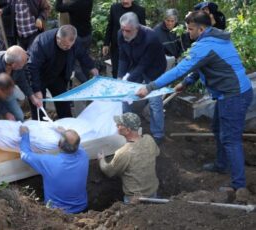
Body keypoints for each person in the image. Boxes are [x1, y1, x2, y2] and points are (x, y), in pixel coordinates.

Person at [136, 11, 253, 192]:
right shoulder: (217, 39)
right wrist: (186, 83)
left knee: (230, 139)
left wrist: (150, 87)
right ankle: (222, 165)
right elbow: (201, 67)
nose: (188, 33)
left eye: (191, 29)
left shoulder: (205, 45)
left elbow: (180, 69)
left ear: (202, 29)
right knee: (217, 128)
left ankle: (239, 186)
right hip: (231, 93)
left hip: (233, 96)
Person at [27, 25, 99, 119]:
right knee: (38, 105)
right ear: (58, 38)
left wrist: (92, 67)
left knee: (63, 102)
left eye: (70, 45)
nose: (67, 48)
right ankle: (40, 126)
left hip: (57, 75)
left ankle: (66, 123)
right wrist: (36, 89)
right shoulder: (42, 42)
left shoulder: (75, 41)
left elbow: (82, 55)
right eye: (64, 45)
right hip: (39, 75)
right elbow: (33, 67)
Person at [117, 12, 167, 144]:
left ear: (137, 28)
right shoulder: (120, 34)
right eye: (123, 30)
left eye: (128, 31)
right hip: (135, 65)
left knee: (154, 102)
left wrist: (128, 79)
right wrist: (121, 76)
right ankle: (129, 130)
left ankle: (158, 135)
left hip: (154, 69)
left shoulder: (151, 38)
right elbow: (122, 57)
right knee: (125, 96)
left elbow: (144, 64)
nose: (125, 34)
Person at [19, 125, 89, 213]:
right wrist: (64, 133)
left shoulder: (49, 162)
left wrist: (25, 135)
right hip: (82, 210)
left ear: (59, 144)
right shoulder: (83, 155)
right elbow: (75, 144)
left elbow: (25, 155)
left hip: (57, 215)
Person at [98, 112, 160, 204]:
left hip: (135, 200)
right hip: (153, 192)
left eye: (119, 125)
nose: (116, 125)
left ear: (127, 130)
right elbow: (157, 153)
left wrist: (101, 160)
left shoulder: (124, 152)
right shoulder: (149, 139)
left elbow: (109, 172)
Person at [103, 0, 146, 78]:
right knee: (116, 70)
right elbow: (110, 26)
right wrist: (106, 43)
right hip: (116, 46)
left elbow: (142, 30)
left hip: (133, 47)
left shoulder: (140, 10)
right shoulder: (114, 8)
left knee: (131, 72)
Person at [55, 0, 94, 82]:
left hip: (77, 38)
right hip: (87, 35)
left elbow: (58, 7)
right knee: (85, 59)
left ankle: (85, 83)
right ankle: (87, 80)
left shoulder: (74, 5)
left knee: (74, 63)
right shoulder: (89, 1)